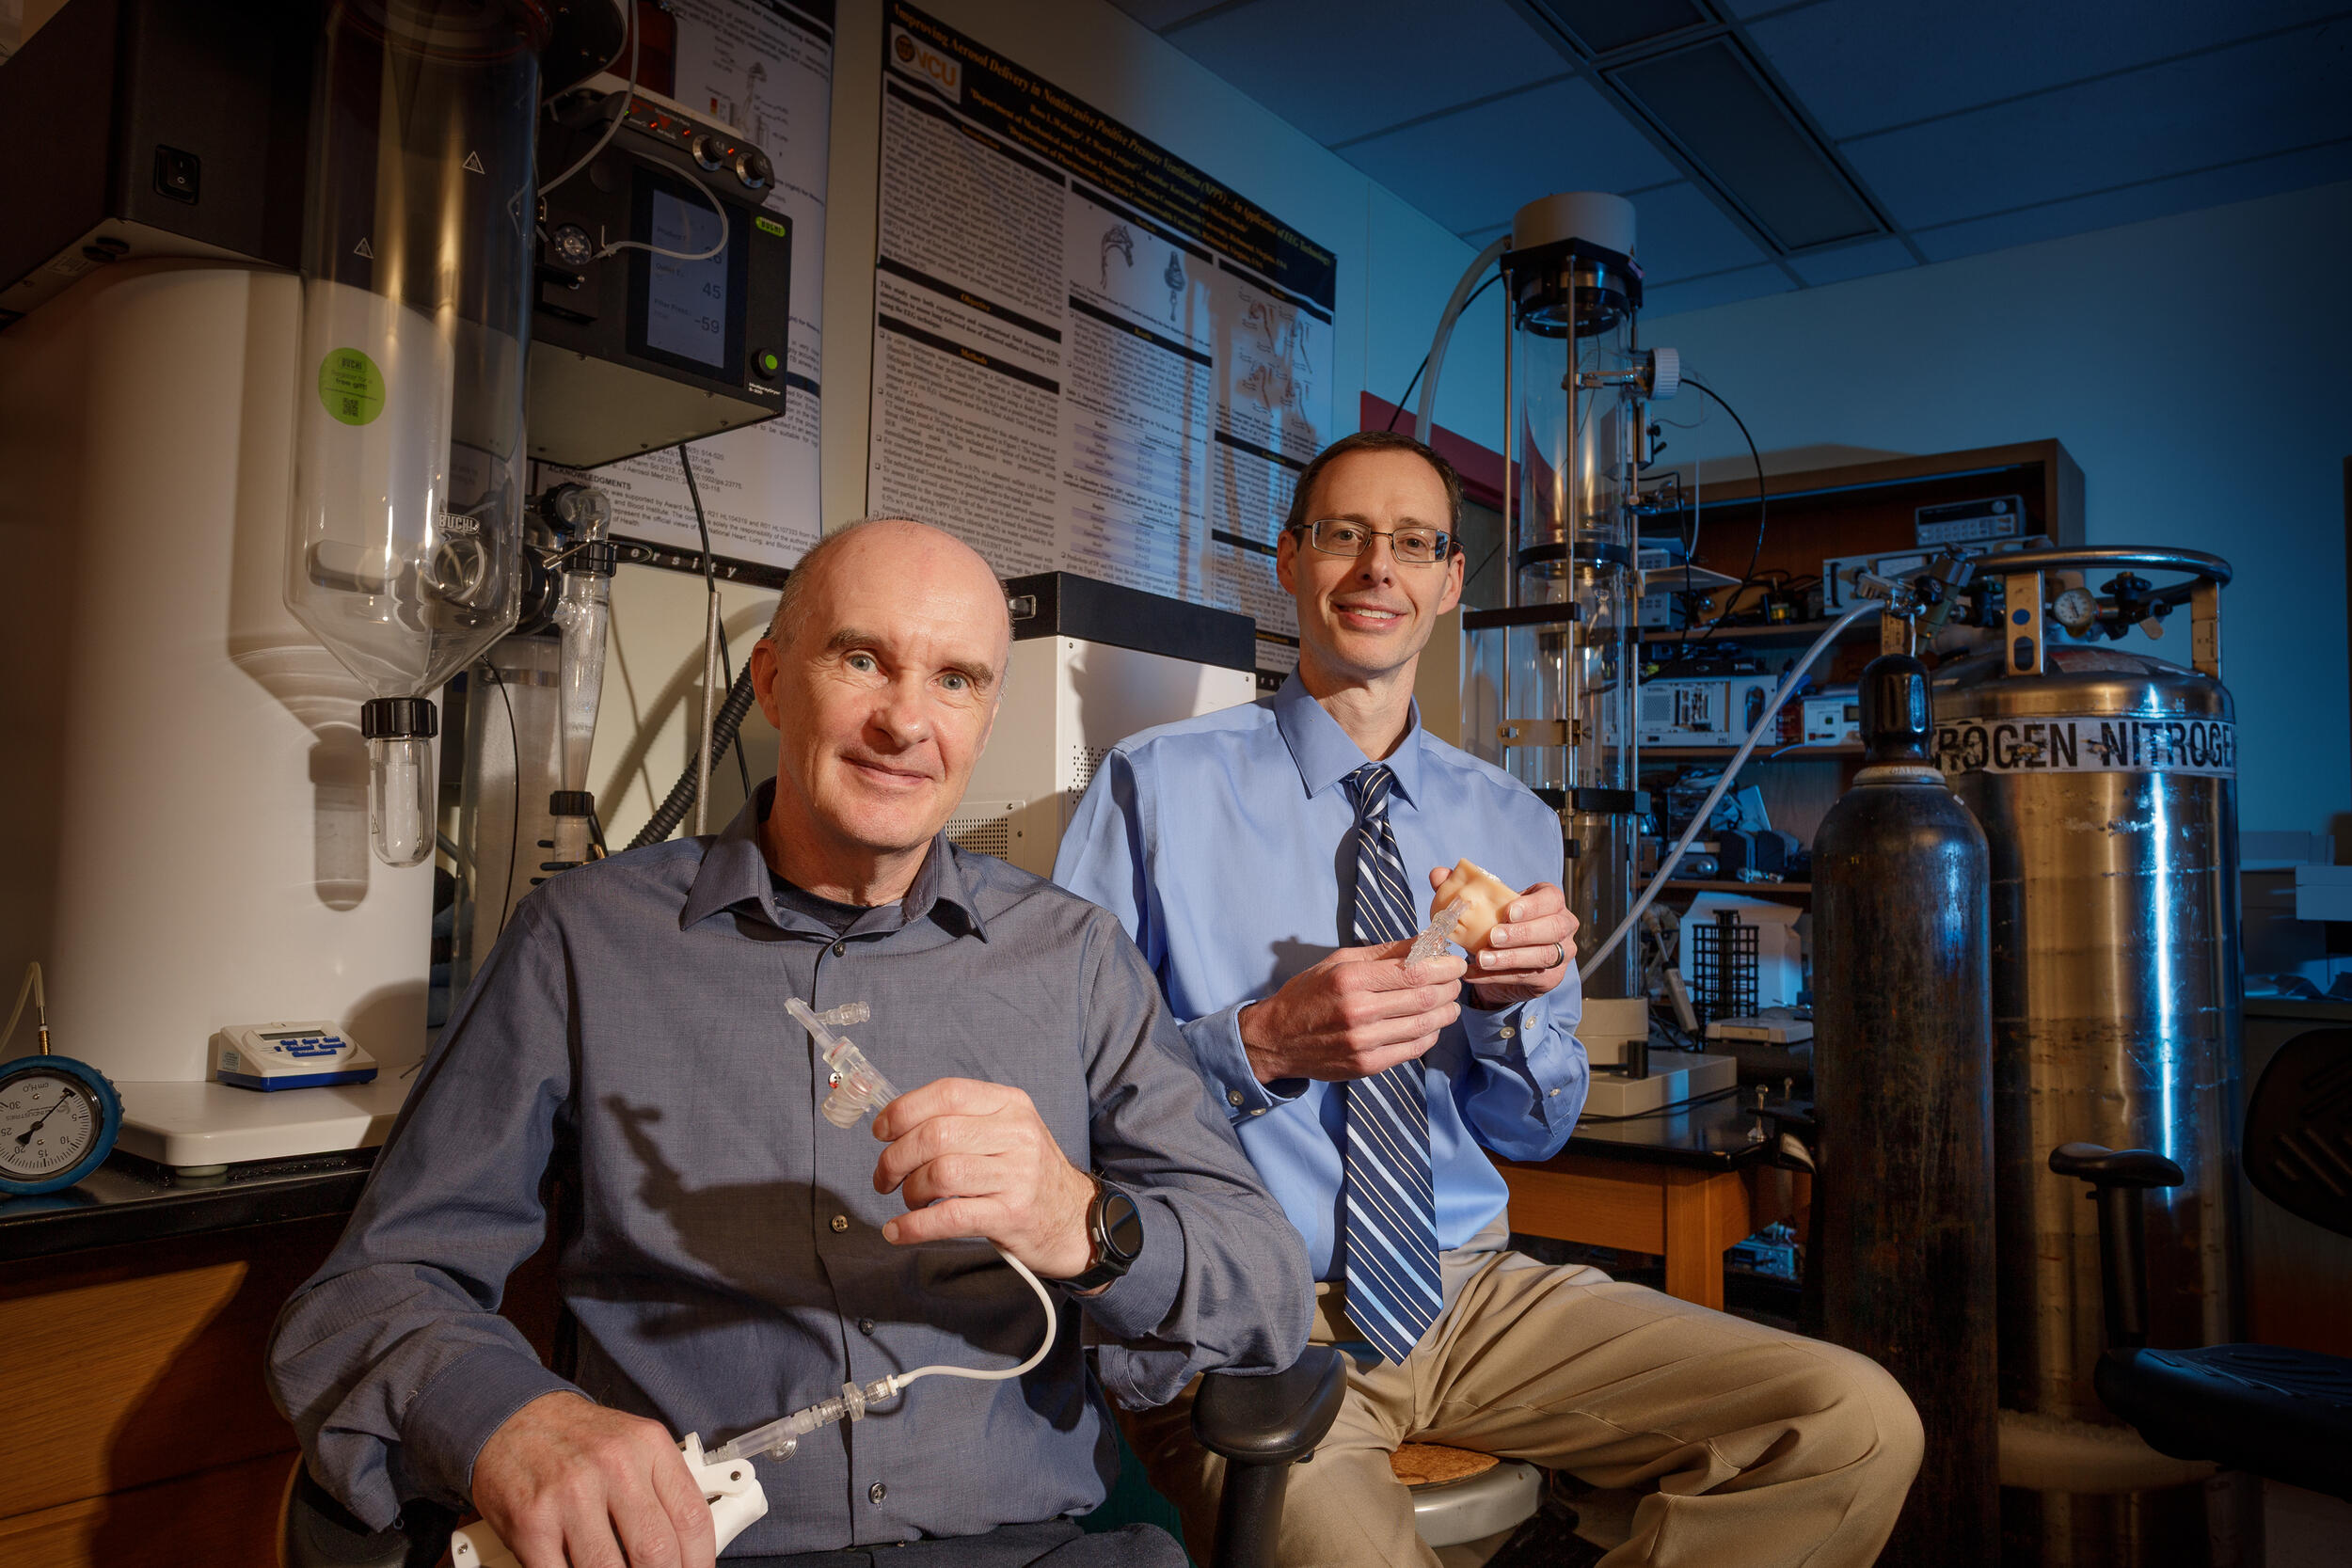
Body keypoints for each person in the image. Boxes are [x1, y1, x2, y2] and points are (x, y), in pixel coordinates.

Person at [268, 518, 1311, 1568]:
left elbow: (1263, 1283)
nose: (906, 720)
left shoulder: (1074, 954)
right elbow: (372, 1289)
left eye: (955, 680)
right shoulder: (584, 941)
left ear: (986, 718)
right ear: (771, 682)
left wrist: (1083, 1219)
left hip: (1030, 1545)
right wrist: (512, 1418)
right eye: (862, 659)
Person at [1056, 431, 1923, 1567]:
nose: (1378, 568)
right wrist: (1259, 1043)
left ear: (1449, 583)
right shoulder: (1150, 785)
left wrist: (1512, 1011)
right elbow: (1061, 1092)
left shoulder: (1508, 818)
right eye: (1344, 535)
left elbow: (1533, 1125)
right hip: (1246, 1315)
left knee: (1853, 1423)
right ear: (1288, 557)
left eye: (1413, 543)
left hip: (1470, 1292)